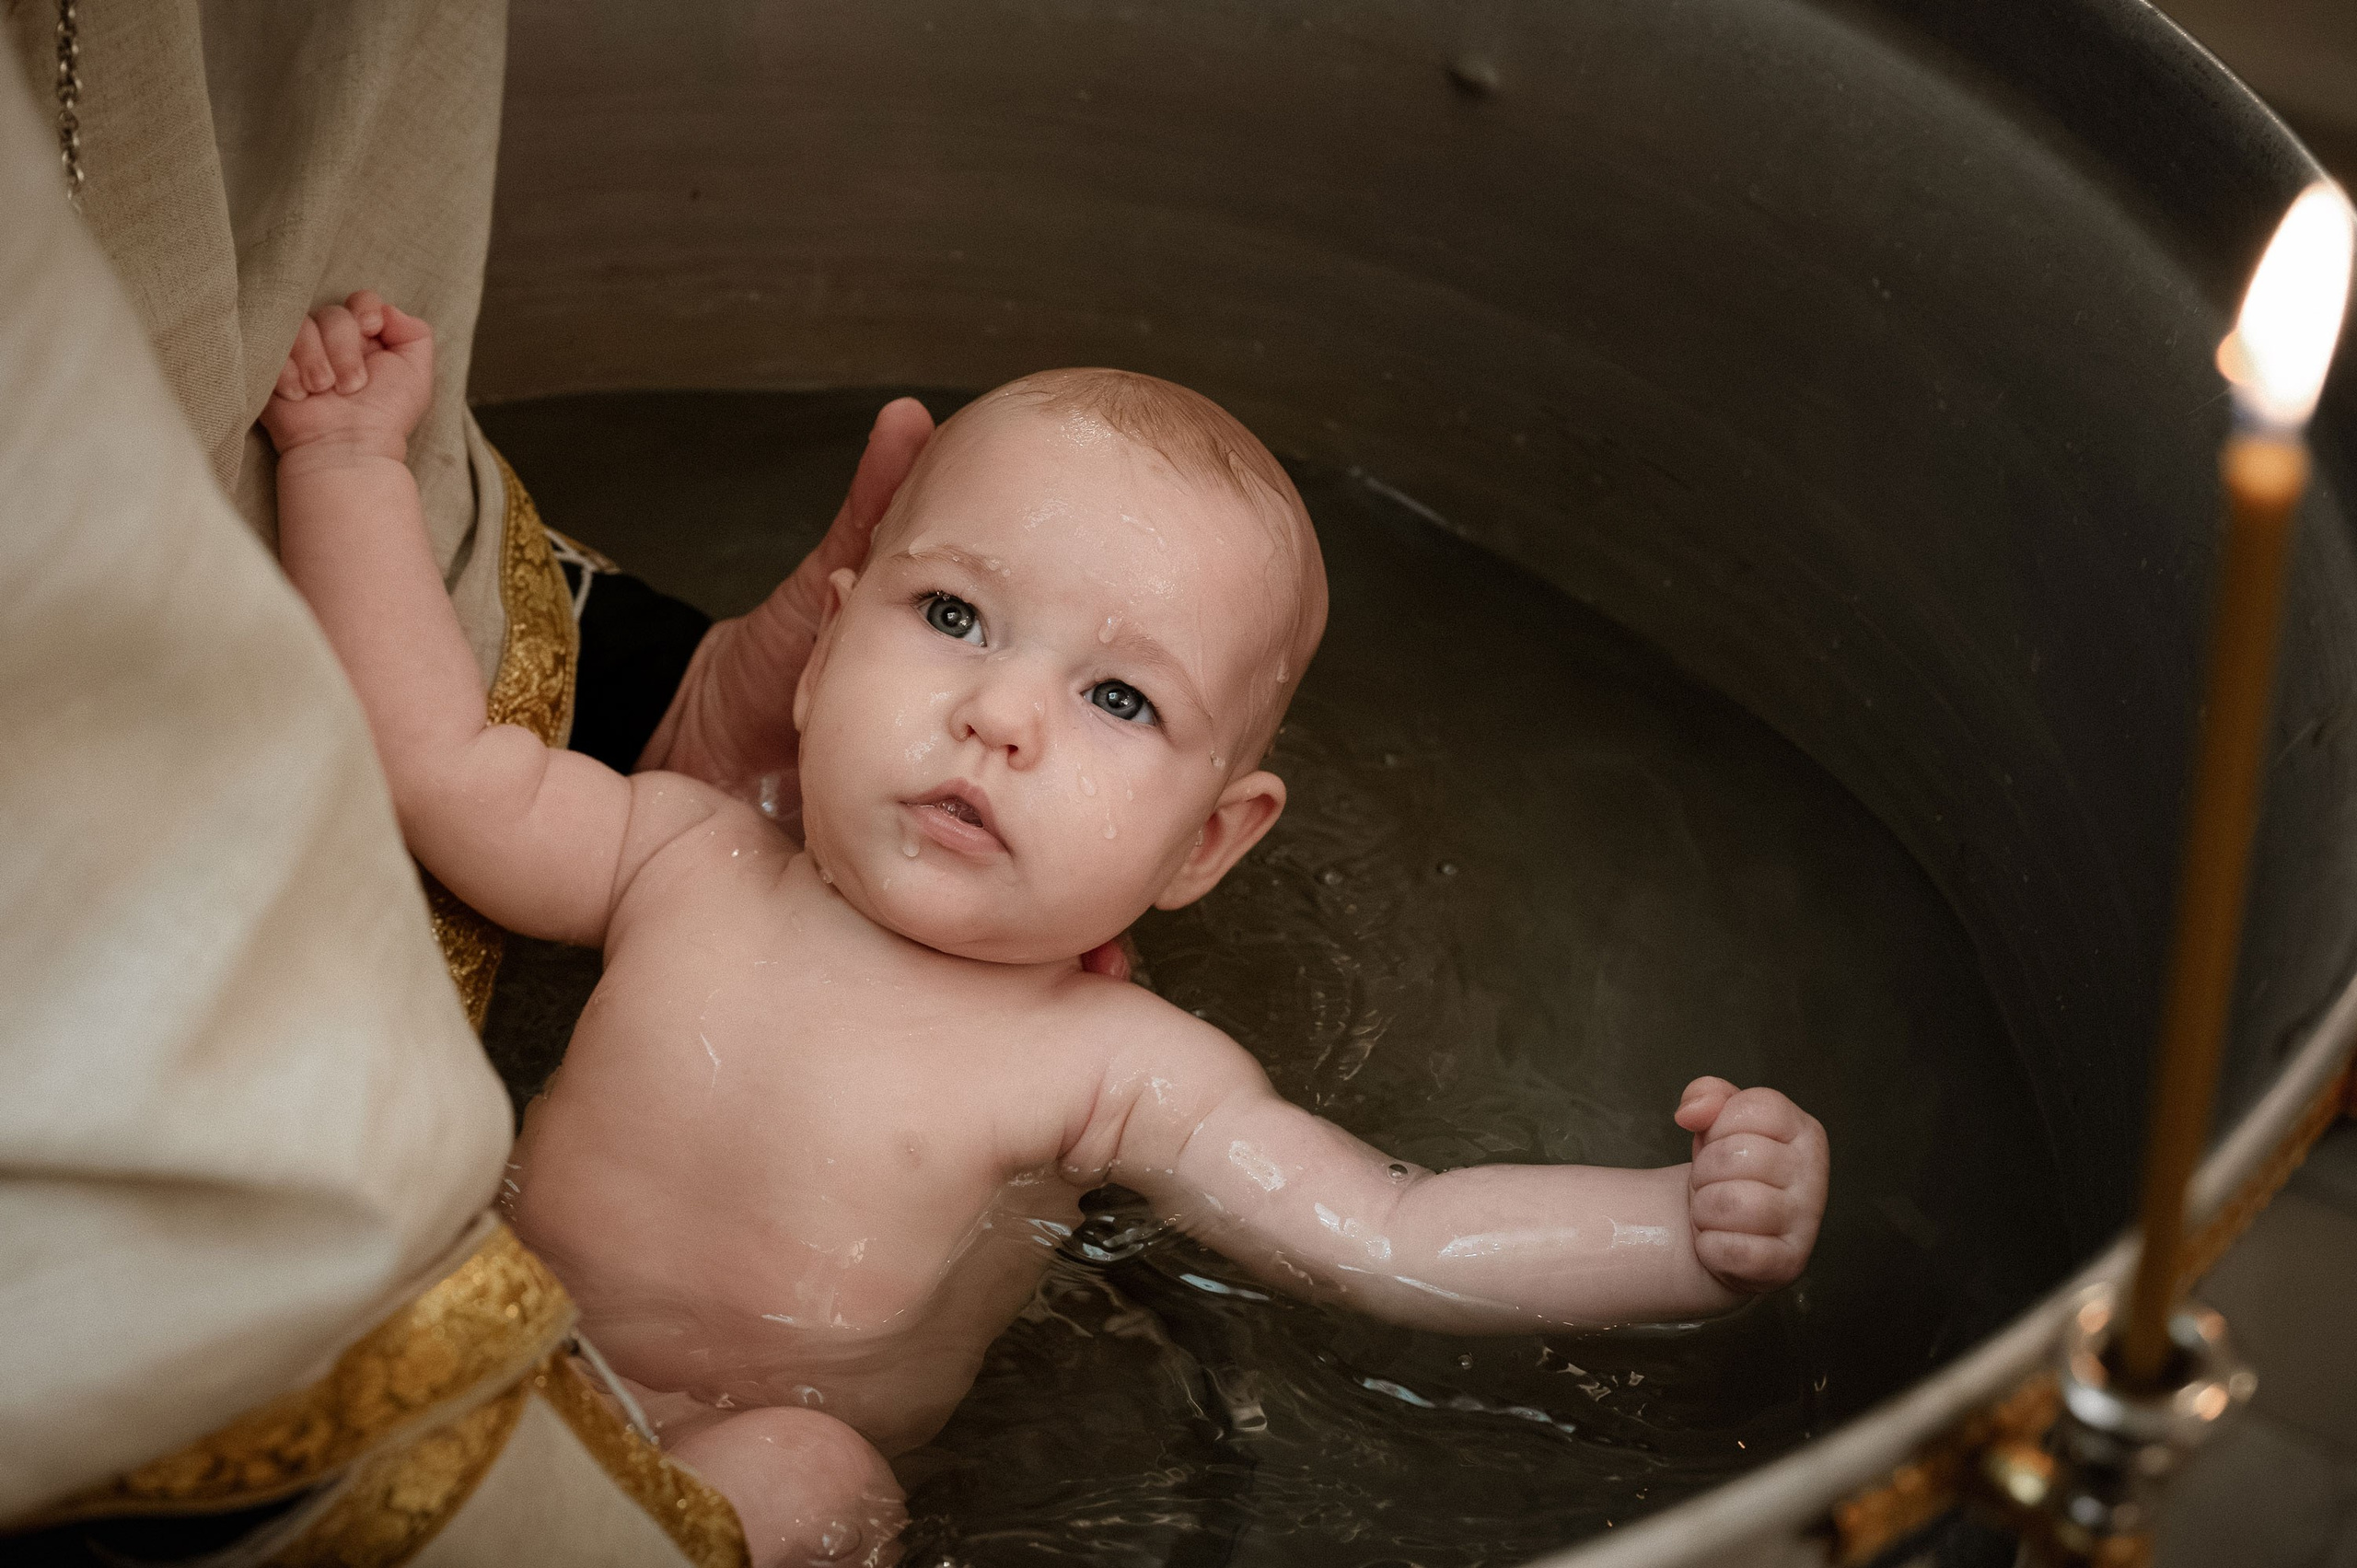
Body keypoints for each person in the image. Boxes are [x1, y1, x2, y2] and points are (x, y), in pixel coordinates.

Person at [264, 296, 1833, 1568]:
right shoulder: (677, 852)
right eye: (950, 616)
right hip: (475, 1374)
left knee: (817, 1482)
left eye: (1120, 698)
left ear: (1209, 844)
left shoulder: (1112, 1064)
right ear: (816, 667)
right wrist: (347, 464)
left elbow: (1390, 1237)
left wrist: (1679, 1240)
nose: (999, 714)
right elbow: (432, 765)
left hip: (733, 1480)